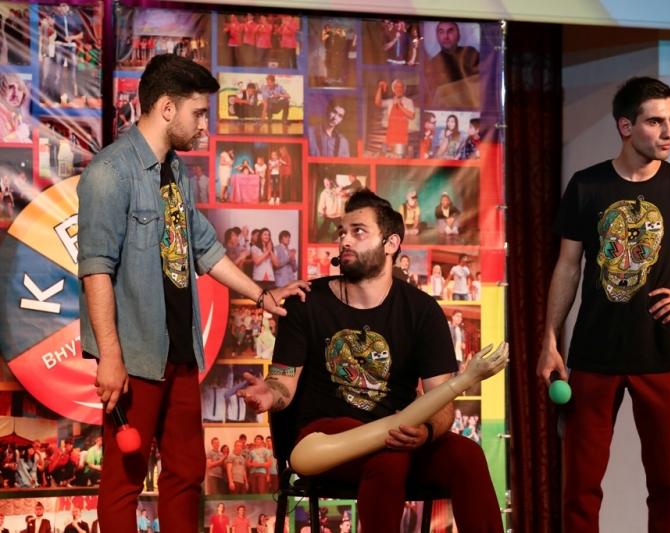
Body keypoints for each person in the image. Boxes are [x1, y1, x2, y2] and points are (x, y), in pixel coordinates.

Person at [77, 54, 309, 533]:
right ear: (167, 108)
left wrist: (263, 296)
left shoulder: (176, 171)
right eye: (198, 113)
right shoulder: (109, 172)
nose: (204, 125)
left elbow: (204, 247)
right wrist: (110, 357)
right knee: (124, 480)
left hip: (181, 351)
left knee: (187, 472)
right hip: (135, 354)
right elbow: (95, 269)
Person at [536, 76, 670, 533]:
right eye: (655, 122)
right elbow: (568, 267)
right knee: (580, 491)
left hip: (661, 354)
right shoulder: (587, 185)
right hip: (593, 354)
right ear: (626, 127)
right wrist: (550, 341)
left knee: (669, 489)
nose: (668, 131)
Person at [238, 189, 503, 532]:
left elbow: (442, 403)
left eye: (358, 231)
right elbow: (282, 382)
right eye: (342, 233)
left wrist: (424, 432)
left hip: (398, 435)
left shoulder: (422, 311)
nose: (345, 240)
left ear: (391, 243)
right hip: (327, 437)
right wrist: (270, 392)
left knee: (467, 456)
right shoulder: (306, 301)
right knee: (388, 457)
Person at [424, 21, 480, 107]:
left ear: (459, 37)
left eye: (450, 31)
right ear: (437, 37)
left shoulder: (471, 54)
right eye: (441, 32)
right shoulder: (433, 64)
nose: (446, 36)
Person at [374, 79, 414, 153]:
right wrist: (380, 88)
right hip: (391, 137)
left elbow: (412, 116)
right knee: (389, 156)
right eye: (397, 87)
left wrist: (400, 106)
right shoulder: (390, 101)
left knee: (401, 156)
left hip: (402, 137)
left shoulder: (408, 101)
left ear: (403, 89)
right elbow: (377, 102)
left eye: (400, 87)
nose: (399, 89)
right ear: (394, 89)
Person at [0, 72, 30, 142]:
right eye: (10, 88)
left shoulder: (14, 116)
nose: (16, 94)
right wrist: (18, 136)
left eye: (19, 89)